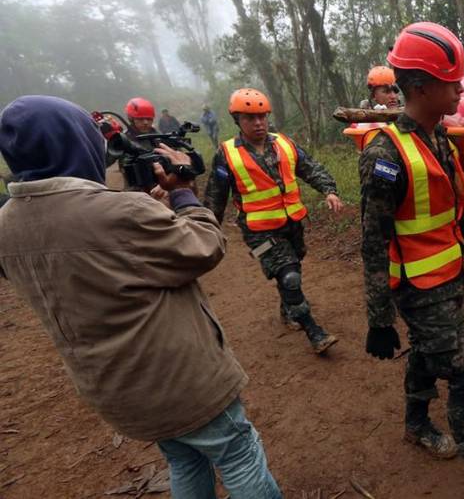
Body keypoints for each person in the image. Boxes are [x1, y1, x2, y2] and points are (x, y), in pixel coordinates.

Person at [0, 95, 281, 498]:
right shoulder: (117, 212)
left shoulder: (6, 223)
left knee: (183, 459)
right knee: (238, 455)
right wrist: (184, 192)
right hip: (179, 381)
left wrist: (145, 213)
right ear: (78, 144)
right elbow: (205, 245)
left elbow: (84, 256)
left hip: (115, 388)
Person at [359, 22, 464, 499]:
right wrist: (378, 317)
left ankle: (415, 423)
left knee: (430, 354)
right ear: (418, 88)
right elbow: (373, 241)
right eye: (451, 82)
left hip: (448, 276)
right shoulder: (385, 155)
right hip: (417, 287)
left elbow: (454, 203)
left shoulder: (438, 137)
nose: (462, 88)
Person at [204, 88, 343, 354]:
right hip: (258, 230)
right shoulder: (227, 154)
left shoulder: (284, 143)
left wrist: (330, 190)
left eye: (261, 117)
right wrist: (206, 230)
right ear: (237, 120)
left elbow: (310, 168)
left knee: (293, 268)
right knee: (289, 277)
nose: (257, 123)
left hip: (292, 223)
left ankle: (288, 307)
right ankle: (315, 332)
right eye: (249, 118)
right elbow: (215, 197)